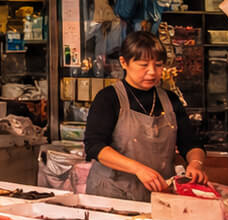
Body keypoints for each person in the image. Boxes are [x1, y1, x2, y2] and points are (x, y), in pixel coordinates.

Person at [84, 30, 208, 200]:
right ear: (124, 62)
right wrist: (138, 168)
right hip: (113, 193)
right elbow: (94, 146)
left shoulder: (170, 99)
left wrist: (195, 163)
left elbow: (190, 142)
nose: (152, 72)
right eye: (143, 65)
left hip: (159, 192)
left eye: (158, 65)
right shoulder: (108, 98)